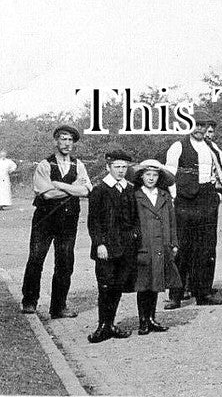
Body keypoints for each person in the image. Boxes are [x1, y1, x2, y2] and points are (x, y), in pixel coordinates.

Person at [22, 125, 92, 317]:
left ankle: (58, 307)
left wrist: (59, 185)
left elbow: (86, 190)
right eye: (63, 139)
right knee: (36, 259)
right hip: (45, 220)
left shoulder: (79, 165)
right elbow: (46, 193)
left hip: (68, 221)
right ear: (56, 141)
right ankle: (29, 301)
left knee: (65, 262)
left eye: (70, 140)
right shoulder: (45, 165)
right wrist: (73, 188)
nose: (67, 143)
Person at [163, 114, 222, 309]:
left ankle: (203, 293)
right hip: (184, 203)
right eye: (196, 125)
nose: (199, 128)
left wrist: (217, 197)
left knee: (206, 249)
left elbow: (220, 175)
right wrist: (176, 198)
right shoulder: (178, 146)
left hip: (207, 202)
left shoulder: (213, 149)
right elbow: (169, 175)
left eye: (203, 125)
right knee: (182, 249)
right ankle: (176, 295)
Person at [86, 149, 139, 343]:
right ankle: (102, 326)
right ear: (108, 167)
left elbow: (135, 218)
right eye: (117, 167)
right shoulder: (99, 190)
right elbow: (93, 221)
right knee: (105, 286)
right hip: (106, 249)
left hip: (125, 247)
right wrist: (99, 244)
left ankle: (111, 324)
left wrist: (135, 234)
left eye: (124, 167)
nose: (121, 170)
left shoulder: (130, 189)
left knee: (117, 287)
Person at [130, 159, 182, 335]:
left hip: (162, 244)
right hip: (144, 245)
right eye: (148, 174)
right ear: (141, 176)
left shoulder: (164, 195)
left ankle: (152, 318)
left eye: (154, 175)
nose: (151, 178)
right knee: (144, 284)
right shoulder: (136, 195)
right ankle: (143, 321)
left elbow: (172, 221)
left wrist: (174, 242)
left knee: (157, 282)